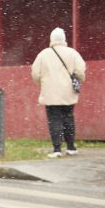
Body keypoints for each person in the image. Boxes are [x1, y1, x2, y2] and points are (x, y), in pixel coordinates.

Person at [31, 27, 86, 158]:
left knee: (54, 119)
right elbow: (80, 70)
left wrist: (42, 83)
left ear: (51, 39)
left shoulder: (43, 54)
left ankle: (56, 149)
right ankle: (71, 147)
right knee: (68, 118)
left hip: (50, 92)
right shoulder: (72, 53)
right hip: (68, 92)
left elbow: (35, 73)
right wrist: (78, 80)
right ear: (64, 39)